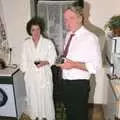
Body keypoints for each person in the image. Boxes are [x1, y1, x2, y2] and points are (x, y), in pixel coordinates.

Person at [56, 3, 102, 120]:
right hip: (65, 82)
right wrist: (62, 61)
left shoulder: (91, 38)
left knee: (79, 116)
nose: (67, 23)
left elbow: (96, 66)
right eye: (65, 19)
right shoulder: (68, 35)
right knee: (70, 114)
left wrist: (73, 65)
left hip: (79, 85)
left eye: (71, 18)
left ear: (80, 18)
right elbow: (69, 55)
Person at [20, 16, 57, 120]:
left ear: (41, 29)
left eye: (38, 29)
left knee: (46, 97)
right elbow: (23, 60)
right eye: (33, 30)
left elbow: (53, 58)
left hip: (44, 74)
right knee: (33, 97)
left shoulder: (48, 43)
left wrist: (45, 62)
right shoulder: (26, 43)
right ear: (29, 31)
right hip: (31, 75)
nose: (36, 32)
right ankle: (35, 116)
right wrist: (25, 73)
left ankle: (46, 117)